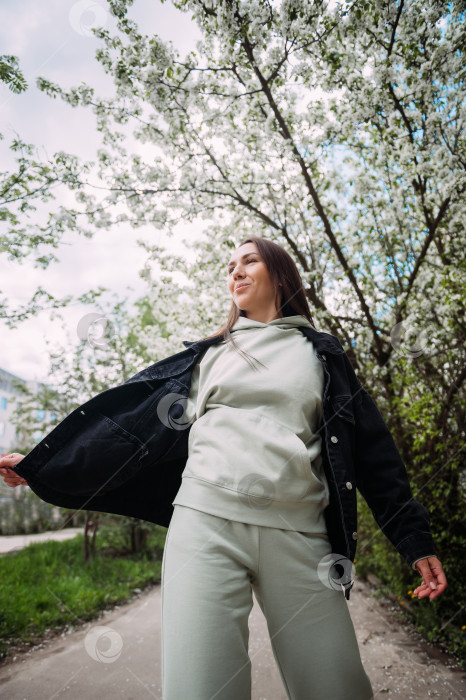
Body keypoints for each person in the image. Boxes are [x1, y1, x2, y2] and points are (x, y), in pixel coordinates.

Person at [0, 237, 448, 700]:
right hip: (204, 526)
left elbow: (375, 455)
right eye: (229, 265)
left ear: (280, 275)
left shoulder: (324, 357)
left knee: (338, 688)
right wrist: (42, 464)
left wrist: (413, 540)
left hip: (302, 538)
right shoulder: (206, 356)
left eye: (249, 261)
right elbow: (125, 431)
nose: (234, 271)